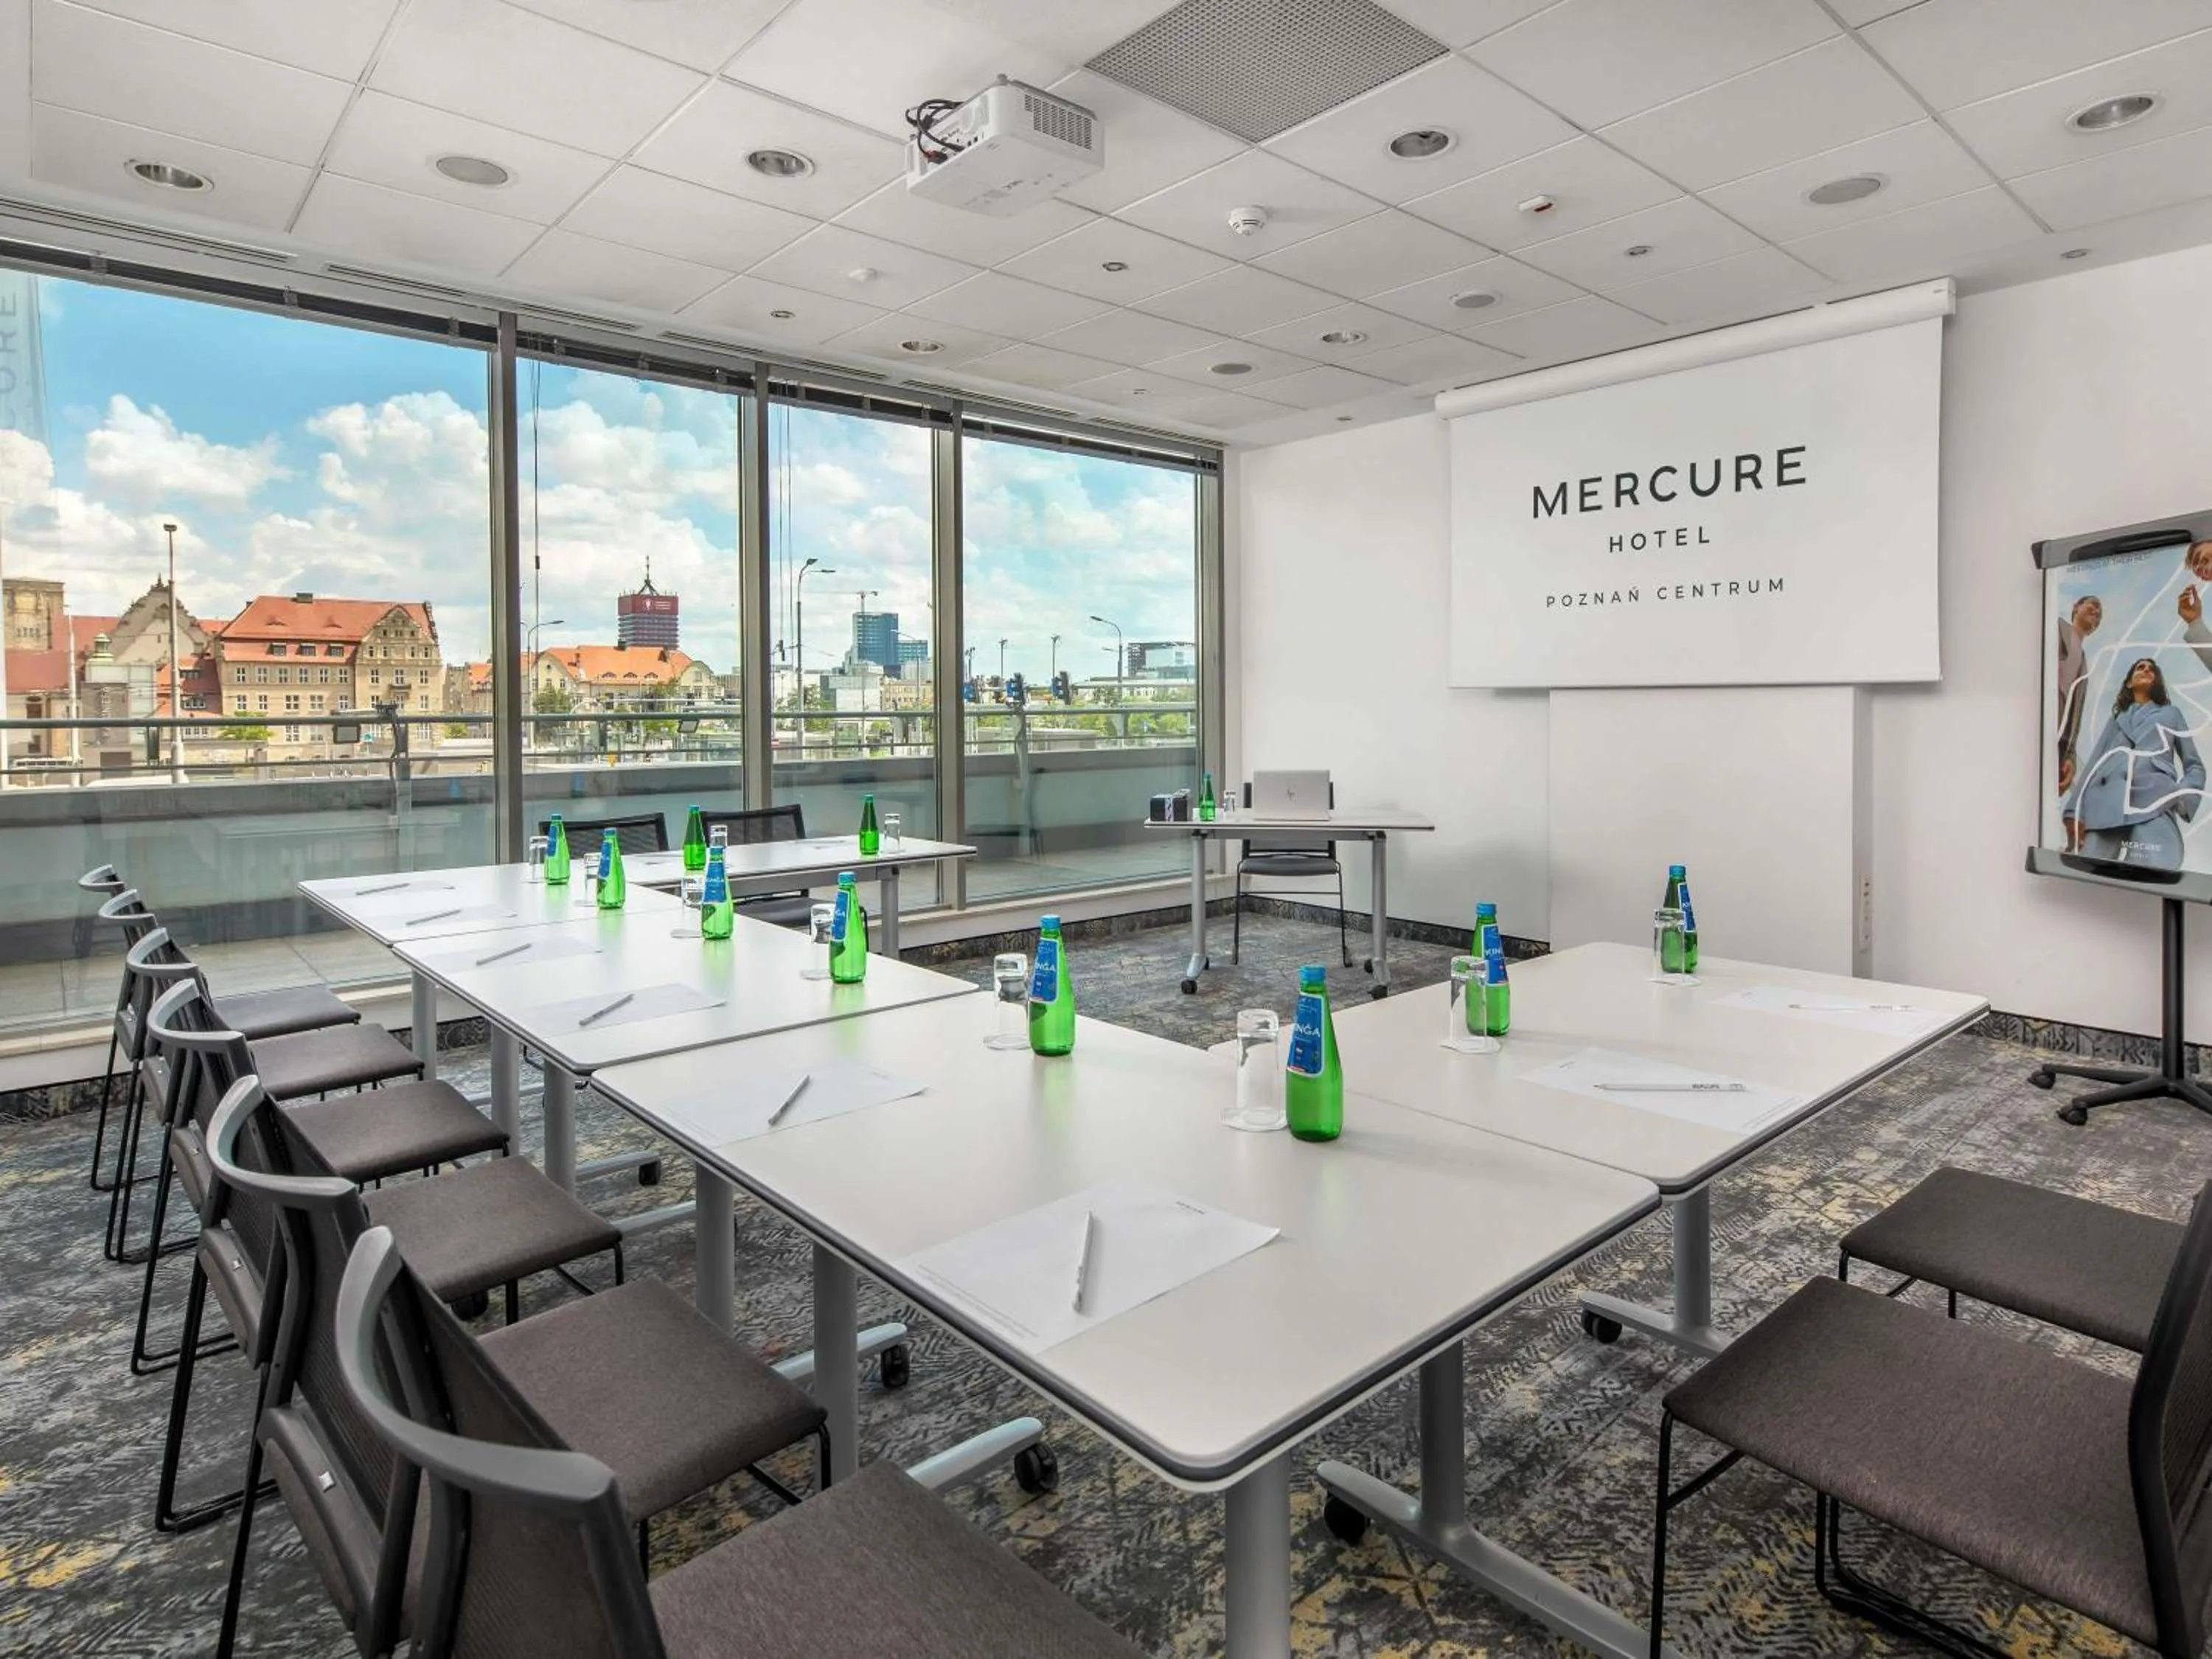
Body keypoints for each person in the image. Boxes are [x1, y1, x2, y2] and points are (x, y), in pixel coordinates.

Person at [2065, 656, 2204, 870]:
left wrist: (2181, 796)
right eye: (2141, 667)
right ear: (2129, 682)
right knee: (2089, 870)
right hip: (2106, 802)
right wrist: (2074, 812)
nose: (2147, 670)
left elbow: (2193, 764)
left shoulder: (2171, 714)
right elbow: (2095, 763)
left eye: (2152, 669)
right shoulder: (2118, 718)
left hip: (2154, 798)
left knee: (2154, 869)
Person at [2054, 594, 2101, 793]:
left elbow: (2076, 720)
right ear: (2076, 608)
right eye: (2093, 605)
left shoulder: (2084, 666)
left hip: (2056, 741)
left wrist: (2070, 758)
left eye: (2100, 614)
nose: (2097, 612)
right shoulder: (2053, 626)